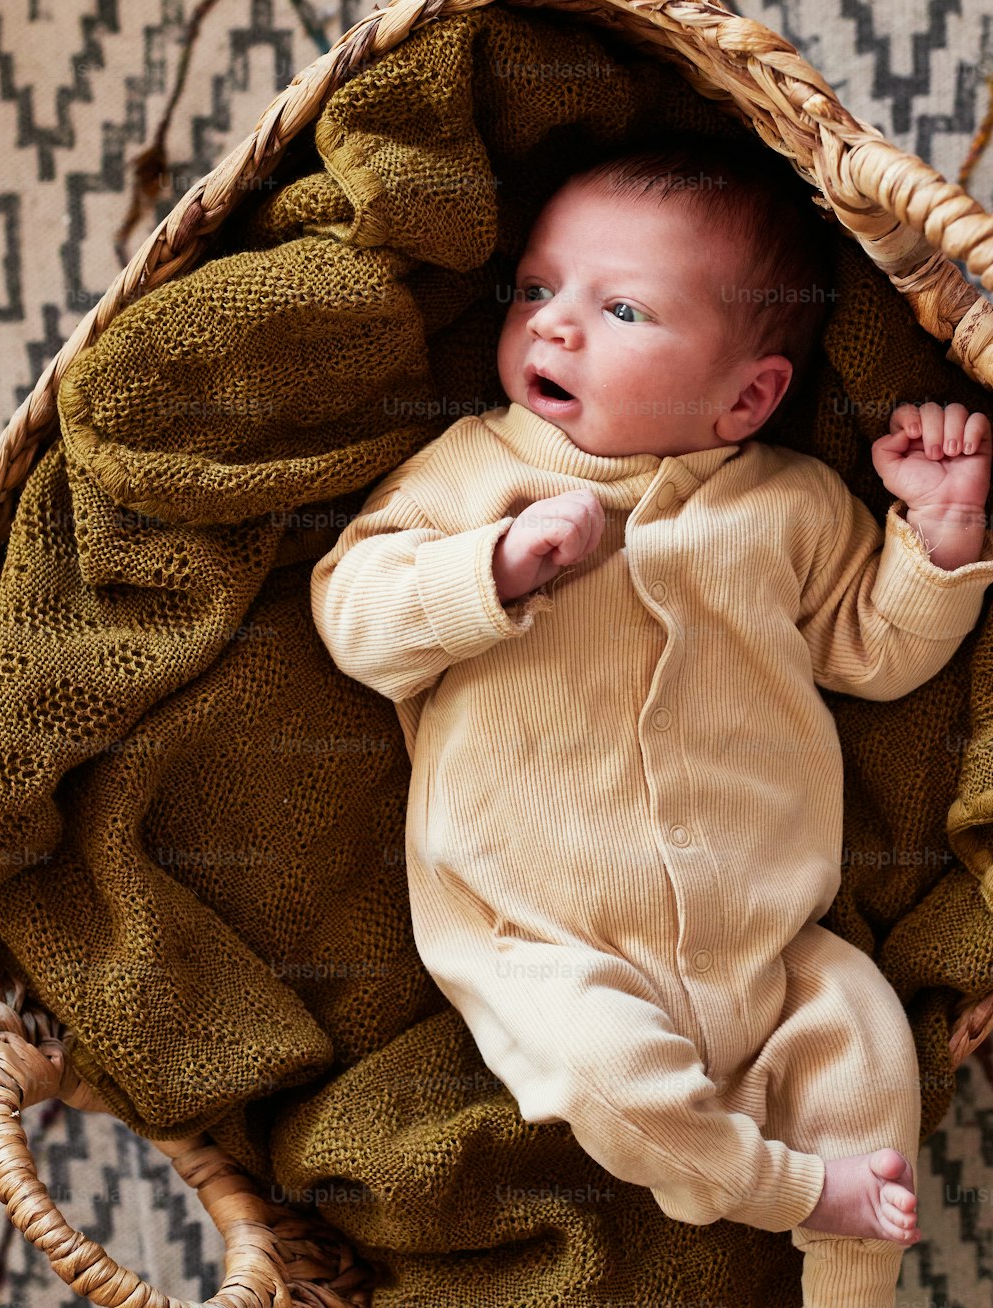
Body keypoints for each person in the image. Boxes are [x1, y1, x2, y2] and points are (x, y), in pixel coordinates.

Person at [310, 135, 993, 1308]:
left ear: (748, 394)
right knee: (612, 1076)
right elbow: (354, 619)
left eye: (620, 307)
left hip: (770, 939)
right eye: (536, 288)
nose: (553, 326)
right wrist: (491, 573)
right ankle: (776, 1190)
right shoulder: (474, 470)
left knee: (870, 1048)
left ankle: (850, 1291)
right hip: (537, 932)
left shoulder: (790, 503)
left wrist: (936, 539)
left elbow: (873, 655)